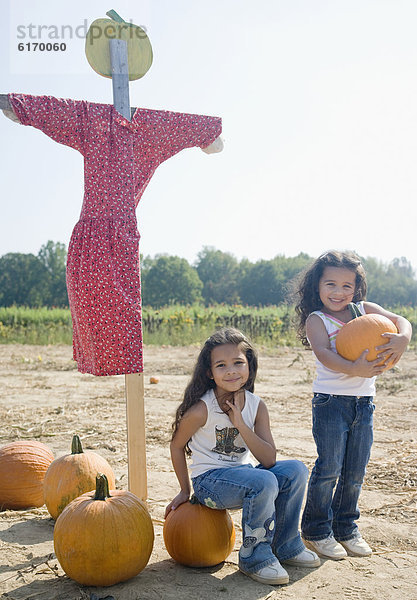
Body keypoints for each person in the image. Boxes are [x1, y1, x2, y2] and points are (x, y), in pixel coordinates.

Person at [164, 327, 320, 586]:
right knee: (264, 481)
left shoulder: (257, 406)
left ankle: (286, 545)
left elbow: (268, 460)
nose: (231, 371)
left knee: (296, 470)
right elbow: (176, 446)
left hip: (246, 478)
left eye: (238, 362)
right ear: (210, 373)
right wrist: (184, 489)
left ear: (249, 366)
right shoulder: (202, 409)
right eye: (221, 365)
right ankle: (254, 558)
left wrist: (240, 423)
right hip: (210, 484)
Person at [294, 250, 412, 560]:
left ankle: (346, 527)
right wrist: (355, 369)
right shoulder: (317, 319)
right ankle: (317, 530)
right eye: (331, 284)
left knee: (355, 470)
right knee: (329, 468)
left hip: (364, 402)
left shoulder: (365, 310)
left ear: (357, 287)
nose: (339, 292)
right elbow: (324, 353)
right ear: (317, 286)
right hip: (330, 402)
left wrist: (404, 337)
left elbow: (401, 320)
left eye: (347, 285)